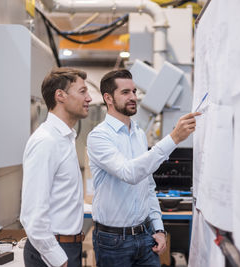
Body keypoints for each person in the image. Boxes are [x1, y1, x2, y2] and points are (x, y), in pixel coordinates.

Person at [87, 69, 199, 267]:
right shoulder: (99, 137)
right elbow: (129, 173)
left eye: (134, 91)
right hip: (113, 242)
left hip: (145, 236)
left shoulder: (138, 133)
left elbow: (147, 185)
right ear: (108, 98)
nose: (133, 97)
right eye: (125, 92)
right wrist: (174, 138)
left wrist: (158, 227)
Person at [20, 67, 92, 267]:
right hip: (53, 253)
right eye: (82, 91)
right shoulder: (46, 141)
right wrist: (58, 259)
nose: (89, 98)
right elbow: (33, 214)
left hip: (67, 248)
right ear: (60, 96)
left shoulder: (65, 139)